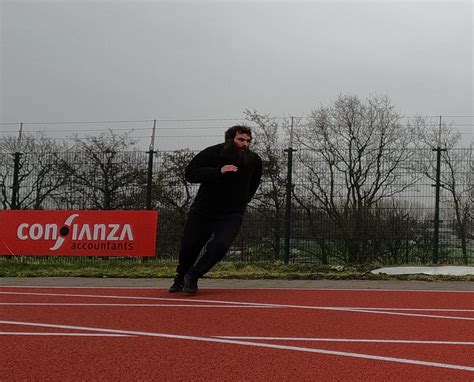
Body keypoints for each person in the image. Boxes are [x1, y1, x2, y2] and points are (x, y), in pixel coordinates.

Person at [169, 125, 262, 294]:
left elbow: (254, 184)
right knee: (190, 245)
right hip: (203, 210)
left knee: (221, 245)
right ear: (230, 139)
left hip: (232, 213)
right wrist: (218, 172)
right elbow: (190, 173)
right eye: (241, 140)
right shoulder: (212, 153)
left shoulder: (254, 160)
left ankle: (194, 275)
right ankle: (180, 276)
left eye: (248, 141)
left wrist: (242, 202)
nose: (245, 144)